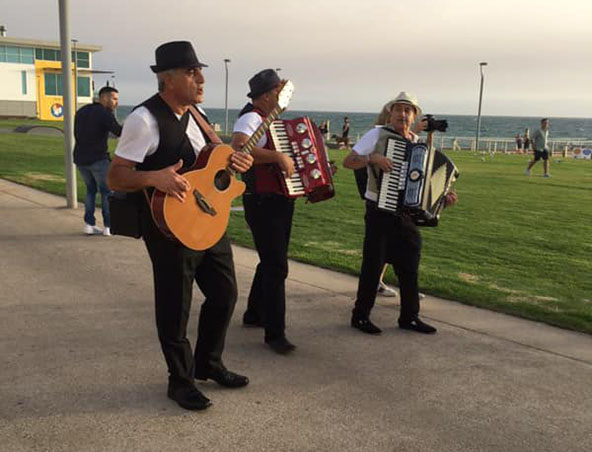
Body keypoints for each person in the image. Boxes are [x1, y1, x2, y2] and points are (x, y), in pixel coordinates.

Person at [106, 41, 253, 411]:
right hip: (168, 227)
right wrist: (155, 177)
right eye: (192, 72)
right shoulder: (144, 119)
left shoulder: (198, 115)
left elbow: (210, 161)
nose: (201, 78)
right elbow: (116, 177)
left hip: (207, 220)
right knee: (176, 308)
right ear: (167, 79)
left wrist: (234, 162)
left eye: (199, 71)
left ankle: (209, 362)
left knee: (225, 295)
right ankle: (180, 381)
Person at [343, 91, 457, 335]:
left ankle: (409, 316)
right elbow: (349, 161)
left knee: (410, 266)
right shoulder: (378, 134)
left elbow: (424, 185)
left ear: (414, 115)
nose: (403, 115)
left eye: (408, 110)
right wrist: (374, 158)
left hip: (405, 215)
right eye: (399, 110)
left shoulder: (418, 143)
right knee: (372, 267)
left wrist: (442, 199)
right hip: (379, 211)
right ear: (390, 112)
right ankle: (360, 316)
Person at [230, 69, 297, 355]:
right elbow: (238, 145)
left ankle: (254, 313)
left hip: (276, 199)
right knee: (276, 266)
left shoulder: (268, 119)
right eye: (279, 92)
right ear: (269, 94)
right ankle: (275, 333)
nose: (283, 97)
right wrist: (277, 156)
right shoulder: (252, 117)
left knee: (270, 260)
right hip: (262, 200)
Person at [73, 86, 122, 236]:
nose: (116, 103)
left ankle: (89, 224)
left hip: (81, 158)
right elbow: (118, 131)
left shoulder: (81, 112)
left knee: (90, 191)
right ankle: (108, 226)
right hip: (98, 159)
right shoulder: (105, 113)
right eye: (114, 99)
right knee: (106, 192)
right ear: (104, 98)